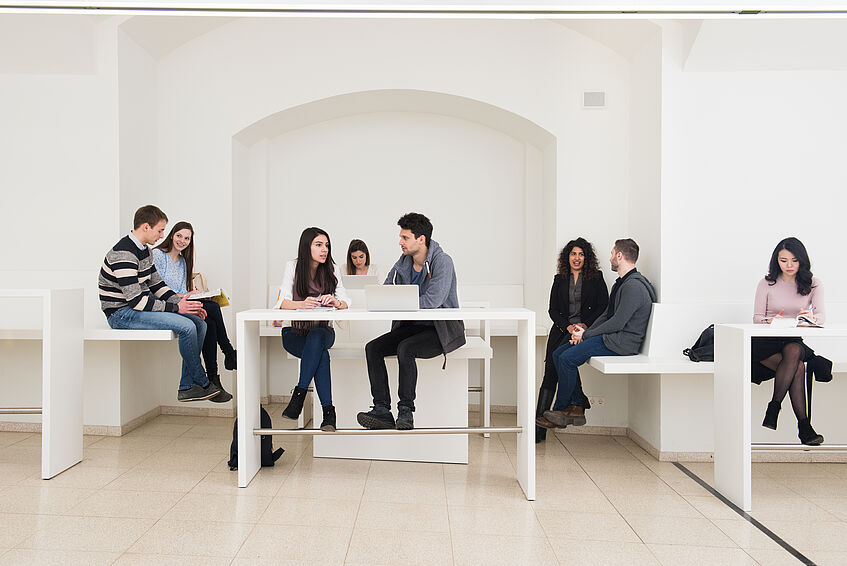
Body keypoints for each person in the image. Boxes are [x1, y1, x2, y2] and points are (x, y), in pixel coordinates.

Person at [98, 205, 221, 402]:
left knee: (199, 323)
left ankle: (187, 386)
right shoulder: (124, 254)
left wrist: (183, 302)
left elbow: (157, 285)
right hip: (120, 314)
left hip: (134, 308)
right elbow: (136, 301)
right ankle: (202, 382)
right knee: (187, 326)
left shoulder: (145, 251)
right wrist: (177, 308)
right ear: (146, 227)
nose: (163, 235)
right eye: (160, 230)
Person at [357, 213, 465, 430]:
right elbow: (386, 290)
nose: (400, 242)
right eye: (401, 237)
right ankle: (382, 411)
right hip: (410, 327)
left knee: (405, 349)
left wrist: (400, 303)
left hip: (439, 330)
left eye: (405, 237)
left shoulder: (442, 261)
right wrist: (388, 300)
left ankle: (405, 412)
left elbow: (433, 301)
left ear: (421, 239)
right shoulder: (403, 263)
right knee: (373, 348)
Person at [544, 238, 656, 428]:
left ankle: (563, 409)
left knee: (566, 359)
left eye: (613, 254)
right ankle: (577, 406)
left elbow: (617, 322)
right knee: (557, 354)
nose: (610, 257)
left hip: (620, 342)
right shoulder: (621, 283)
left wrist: (586, 335)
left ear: (619, 256)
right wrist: (583, 333)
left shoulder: (633, 286)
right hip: (611, 337)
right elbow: (607, 315)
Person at [152, 221, 237, 403]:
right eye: (179, 236)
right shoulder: (158, 255)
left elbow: (181, 290)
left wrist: (193, 295)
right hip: (166, 306)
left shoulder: (183, 262)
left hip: (181, 302)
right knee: (212, 309)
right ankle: (228, 354)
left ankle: (214, 378)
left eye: (187, 238)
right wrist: (185, 296)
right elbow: (155, 289)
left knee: (210, 321)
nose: (182, 241)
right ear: (171, 235)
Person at [277, 227, 350, 432]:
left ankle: (298, 397)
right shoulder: (292, 266)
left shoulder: (332, 269)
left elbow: (346, 301)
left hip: (323, 331)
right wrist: (300, 304)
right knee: (321, 356)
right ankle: (329, 413)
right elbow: (281, 301)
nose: (324, 249)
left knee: (317, 338)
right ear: (306, 246)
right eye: (318, 245)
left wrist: (336, 301)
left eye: (326, 245)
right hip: (294, 333)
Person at [535, 238, 609, 442]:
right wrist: (567, 326)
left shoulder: (596, 278)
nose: (577, 258)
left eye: (581, 254)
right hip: (561, 330)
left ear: (587, 257)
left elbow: (604, 307)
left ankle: (575, 403)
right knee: (550, 374)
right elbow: (553, 310)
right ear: (567, 257)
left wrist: (584, 326)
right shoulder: (559, 279)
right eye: (573, 254)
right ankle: (538, 431)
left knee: (564, 359)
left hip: (585, 331)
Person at [753, 237, 824, 446]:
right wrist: (773, 320)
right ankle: (804, 427)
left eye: (794, 260)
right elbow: (757, 318)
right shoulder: (766, 283)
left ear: (802, 260)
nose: (789, 265)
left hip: (792, 340)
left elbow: (820, 317)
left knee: (794, 350)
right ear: (776, 261)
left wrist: (806, 318)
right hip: (766, 343)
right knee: (799, 368)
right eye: (784, 261)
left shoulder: (813, 284)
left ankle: (774, 407)